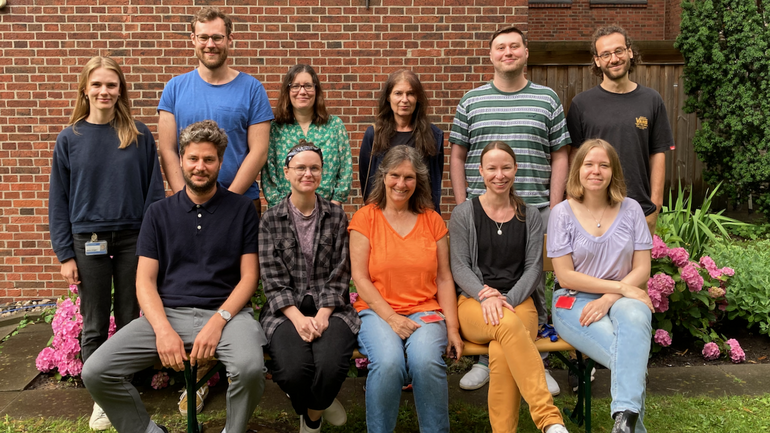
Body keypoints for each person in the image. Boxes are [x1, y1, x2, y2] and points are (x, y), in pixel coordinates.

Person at [82, 120, 267, 433]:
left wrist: (218, 321)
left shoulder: (242, 210)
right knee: (96, 371)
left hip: (228, 315)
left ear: (220, 162)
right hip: (168, 314)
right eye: (193, 158)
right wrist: (162, 330)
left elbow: (249, 277)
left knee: (249, 369)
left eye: (208, 159)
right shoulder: (158, 213)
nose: (200, 167)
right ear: (181, 159)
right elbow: (144, 281)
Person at [450, 25, 570, 394]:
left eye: (514, 46)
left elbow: (560, 154)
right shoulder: (471, 101)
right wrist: (463, 203)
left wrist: (554, 206)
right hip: (482, 208)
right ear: (491, 55)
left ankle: (538, 358)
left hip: (535, 206)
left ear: (525, 52)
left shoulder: (547, 99)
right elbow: (458, 155)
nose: (508, 52)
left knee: (535, 285)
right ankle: (487, 360)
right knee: (484, 275)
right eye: (500, 47)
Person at [48, 56, 165, 431]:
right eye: (97, 84)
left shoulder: (139, 135)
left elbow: (154, 194)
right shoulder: (70, 139)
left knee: (130, 317)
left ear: (120, 90)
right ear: (85, 89)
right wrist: (65, 254)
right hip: (88, 240)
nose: (104, 91)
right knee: (95, 321)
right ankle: (103, 399)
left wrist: (152, 243)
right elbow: (58, 200)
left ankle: (124, 390)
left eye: (111, 85)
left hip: (133, 238)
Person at [450, 141, 568, 433]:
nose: (499, 175)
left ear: (516, 169)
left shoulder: (530, 215)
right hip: (473, 303)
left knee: (501, 350)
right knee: (507, 327)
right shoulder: (464, 214)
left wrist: (507, 299)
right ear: (480, 171)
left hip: (519, 302)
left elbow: (533, 269)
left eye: (506, 168)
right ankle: (550, 420)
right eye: (492, 168)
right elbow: (460, 266)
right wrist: (485, 295)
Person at [349, 145, 463, 433]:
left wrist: (452, 328)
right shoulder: (365, 218)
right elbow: (360, 278)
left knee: (425, 362)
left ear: (418, 180)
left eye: (409, 177)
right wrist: (391, 318)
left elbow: (444, 278)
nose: (401, 184)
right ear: (383, 176)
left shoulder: (431, 219)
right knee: (388, 363)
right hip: (377, 312)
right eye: (395, 175)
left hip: (425, 311)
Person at [547, 139, 654, 433]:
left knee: (636, 316)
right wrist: (621, 288)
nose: (596, 171)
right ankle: (627, 423)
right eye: (589, 164)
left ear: (613, 171)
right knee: (630, 356)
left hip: (620, 297)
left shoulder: (631, 209)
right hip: (574, 301)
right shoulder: (562, 213)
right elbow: (565, 276)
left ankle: (624, 418)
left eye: (604, 165)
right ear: (577, 170)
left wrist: (609, 296)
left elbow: (642, 268)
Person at [259, 141, 360, 432]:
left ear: (322, 172)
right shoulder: (270, 220)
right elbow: (271, 277)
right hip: (285, 311)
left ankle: (312, 418)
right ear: (286, 172)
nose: (308, 173)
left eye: (314, 168)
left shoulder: (336, 216)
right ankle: (322, 403)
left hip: (331, 308)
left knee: (330, 365)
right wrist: (297, 318)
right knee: (292, 371)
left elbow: (341, 270)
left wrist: (323, 314)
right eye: (300, 167)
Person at [158, 7, 273, 211]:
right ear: (193, 39)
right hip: (188, 205)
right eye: (203, 37)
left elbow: (259, 152)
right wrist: (185, 200)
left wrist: (227, 201)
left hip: (240, 203)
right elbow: (168, 150)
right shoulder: (174, 89)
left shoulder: (252, 89)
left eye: (217, 37)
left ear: (229, 39)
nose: (210, 45)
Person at [566, 25, 674, 236]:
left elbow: (658, 153)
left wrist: (655, 206)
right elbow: (574, 158)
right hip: (592, 211)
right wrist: (573, 202)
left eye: (619, 51)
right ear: (597, 60)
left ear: (630, 52)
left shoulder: (651, 100)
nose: (614, 59)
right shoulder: (582, 104)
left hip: (640, 209)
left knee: (639, 260)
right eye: (606, 54)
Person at [261, 64, 352, 208]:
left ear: (316, 90)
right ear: (287, 91)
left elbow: (346, 169)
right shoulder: (275, 129)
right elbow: (268, 175)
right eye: (295, 86)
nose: (302, 91)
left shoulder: (334, 126)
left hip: (327, 210)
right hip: (284, 211)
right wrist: (283, 211)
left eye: (308, 86)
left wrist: (333, 207)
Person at [359, 69, 444, 212]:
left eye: (410, 93)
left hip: (420, 213)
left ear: (418, 98)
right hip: (382, 214)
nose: (404, 100)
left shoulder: (433, 136)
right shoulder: (373, 135)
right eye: (398, 93)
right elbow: (367, 183)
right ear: (388, 97)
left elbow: (434, 184)